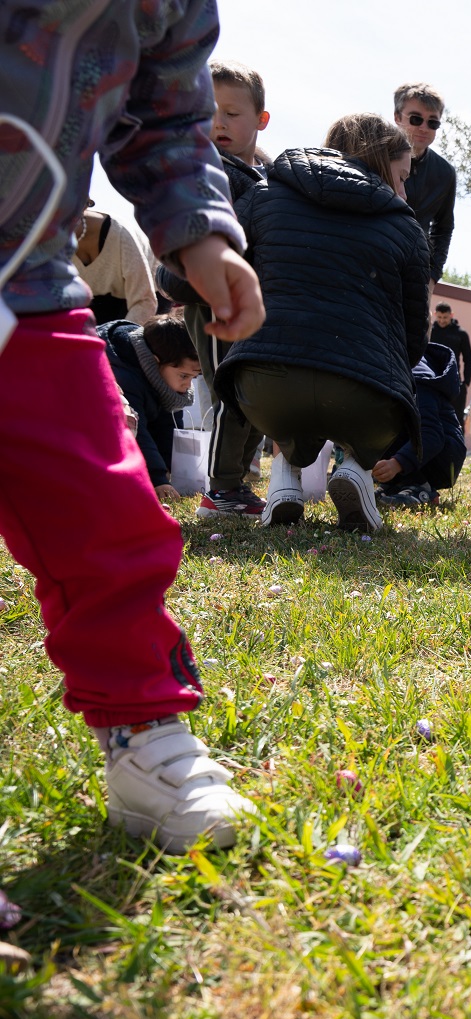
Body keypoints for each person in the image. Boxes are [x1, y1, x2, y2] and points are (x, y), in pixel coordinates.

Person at [0, 0, 264, 852]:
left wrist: (199, 239)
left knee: (108, 514)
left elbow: (168, 122)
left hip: (31, 287)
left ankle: (144, 735)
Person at [210, 113, 430, 532]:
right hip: (362, 399)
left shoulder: (266, 192)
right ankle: (352, 466)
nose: (404, 191)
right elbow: (413, 341)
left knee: (290, 382)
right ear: (382, 165)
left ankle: (284, 479)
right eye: (401, 177)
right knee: (366, 385)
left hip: (262, 388)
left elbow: (215, 262)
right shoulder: (405, 226)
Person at [188, 58, 272, 520]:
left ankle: (239, 483)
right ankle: (220, 488)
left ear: (261, 120)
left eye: (231, 113)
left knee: (252, 394)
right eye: (208, 111)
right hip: (213, 302)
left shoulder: (267, 175)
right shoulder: (203, 168)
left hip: (252, 303)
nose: (218, 122)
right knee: (229, 391)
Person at [102, 313, 199, 502]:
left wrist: (176, 468)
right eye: (184, 376)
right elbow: (137, 431)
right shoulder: (124, 375)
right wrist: (157, 478)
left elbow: (168, 424)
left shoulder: (165, 375)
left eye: (193, 378)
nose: (188, 385)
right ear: (155, 361)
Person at [373, 341, 467, 507]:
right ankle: (395, 485)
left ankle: (420, 486)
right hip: (417, 450)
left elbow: (431, 435)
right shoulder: (392, 372)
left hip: (443, 456)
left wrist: (397, 463)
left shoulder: (419, 380)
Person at [395, 83, 455, 281]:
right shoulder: (372, 156)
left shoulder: (445, 173)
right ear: (397, 117)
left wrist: (431, 278)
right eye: (415, 119)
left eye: (433, 123)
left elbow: (443, 228)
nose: (423, 128)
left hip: (412, 272)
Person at [74, 203, 158, 324]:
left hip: (148, 297)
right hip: (100, 302)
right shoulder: (49, 240)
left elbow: (145, 302)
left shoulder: (120, 233)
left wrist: (120, 340)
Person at [432, 302, 471, 399]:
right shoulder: (429, 331)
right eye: (439, 317)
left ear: (451, 315)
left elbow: (468, 359)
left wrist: (466, 383)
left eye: (445, 317)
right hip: (432, 379)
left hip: (452, 382)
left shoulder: (461, 334)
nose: (442, 320)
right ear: (435, 314)